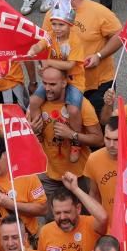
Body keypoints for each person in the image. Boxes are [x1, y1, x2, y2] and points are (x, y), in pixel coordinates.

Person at [44, 0, 123, 116]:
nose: (55, 2)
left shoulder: (99, 12)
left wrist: (99, 55)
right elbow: (45, 41)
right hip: (67, 84)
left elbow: (120, 35)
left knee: (100, 127)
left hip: (97, 85)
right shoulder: (53, 13)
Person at [28, 67, 102, 200]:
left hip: (79, 176)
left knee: (84, 217)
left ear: (64, 83)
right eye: (44, 83)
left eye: (52, 84)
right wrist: (32, 132)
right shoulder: (36, 105)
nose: (47, 88)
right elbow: (25, 142)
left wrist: (72, 135)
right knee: (52, 219)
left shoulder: (82, 105)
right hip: (48, 176)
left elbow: (99, 140)